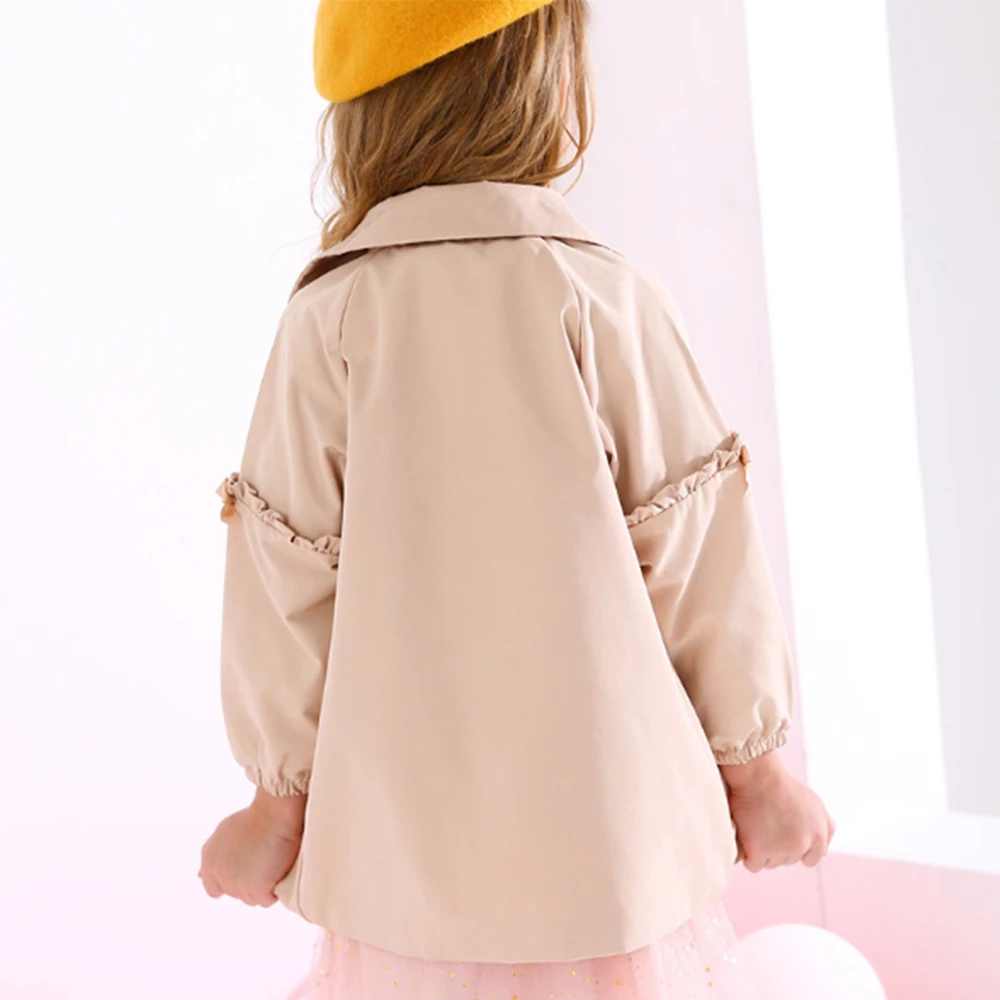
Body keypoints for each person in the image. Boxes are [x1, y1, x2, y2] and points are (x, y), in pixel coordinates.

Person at [197, 2, 836, 997]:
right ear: (548, 84)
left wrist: (277, 804)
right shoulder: (604, 299)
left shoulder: (330, 320)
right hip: (611, 855)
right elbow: (696, 546)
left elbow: (284, 580)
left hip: (405, 874)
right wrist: (753, 772)